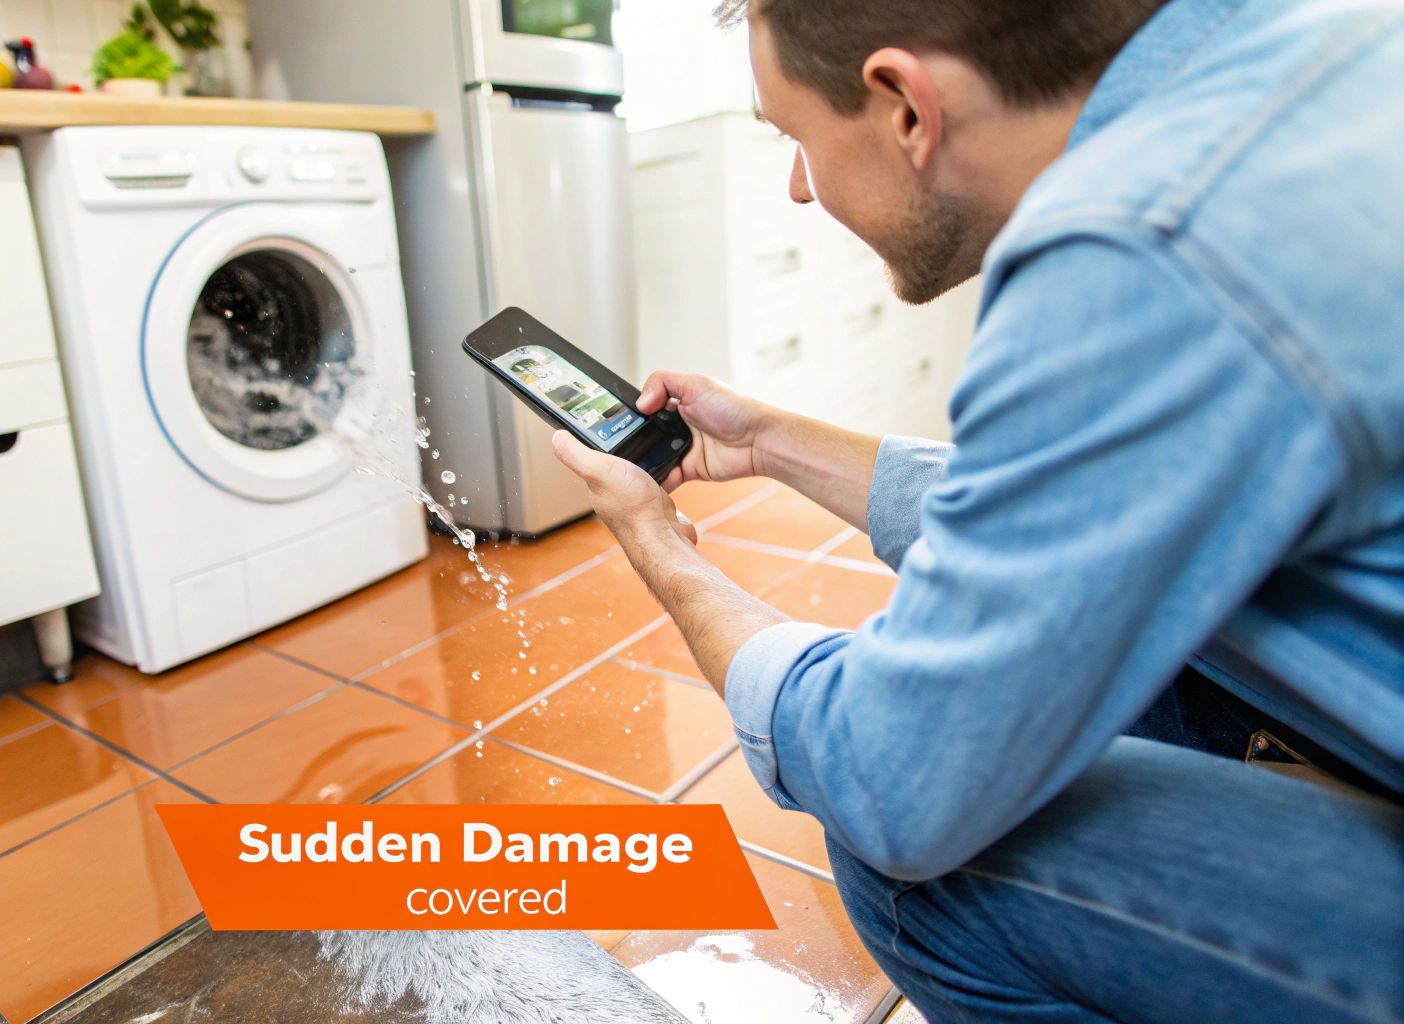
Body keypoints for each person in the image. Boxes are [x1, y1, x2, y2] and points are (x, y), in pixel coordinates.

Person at [551, 0, 1404, 1020]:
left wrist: (663, 550)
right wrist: (767, 441)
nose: (793, 186)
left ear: (904, 105)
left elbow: (893, 774)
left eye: (791, 137)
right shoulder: (1289, 60)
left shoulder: (1137, 246)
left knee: (916, 865)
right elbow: (1076, 509)